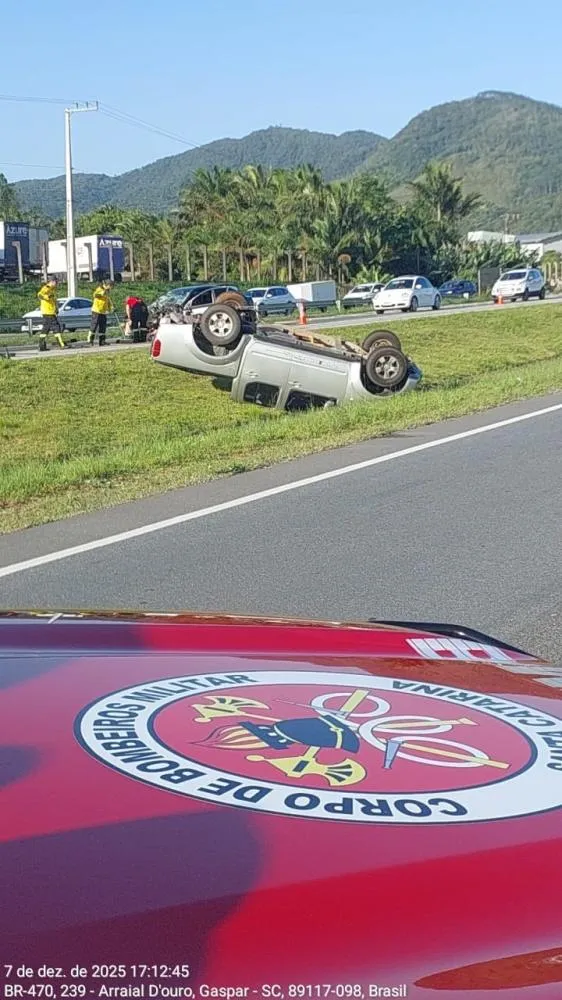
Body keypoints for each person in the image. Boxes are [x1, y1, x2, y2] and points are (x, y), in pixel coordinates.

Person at [37, 277, 65, 351]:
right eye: (56, 282)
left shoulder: (52, 290)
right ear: (52, 281)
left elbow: (53, 301)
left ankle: (41, 346)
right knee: (56, 327)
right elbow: (39, 295)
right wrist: (47, 297)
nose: (57, 284)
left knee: (45, 329)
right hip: (48, 312)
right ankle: (61, 344)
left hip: (49, 312)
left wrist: (56, 309)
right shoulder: (46, 288)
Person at [88, 279, 114, 346]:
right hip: (96, 311)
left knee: (103, 327)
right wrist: (103, 292)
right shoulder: (100, 289)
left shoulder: (107, 291)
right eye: (111, 286)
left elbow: (107, 300)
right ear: (108, 285)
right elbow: (95, 295)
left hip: (103, 311)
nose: (111, 287)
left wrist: (111, 307)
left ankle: (102, 341)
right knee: (94, 325)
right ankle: (90, 340)